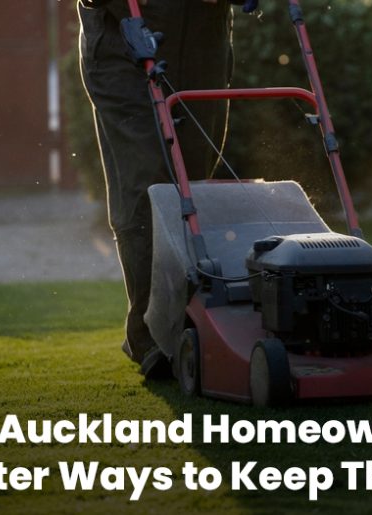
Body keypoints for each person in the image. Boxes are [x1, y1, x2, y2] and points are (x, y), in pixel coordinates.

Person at [77, 0, 246, 375]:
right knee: (146, 184)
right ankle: (150, 332)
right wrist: (123, 13)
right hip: (127, 39)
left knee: (196, 183)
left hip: (204, 36)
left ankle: (193, 323)